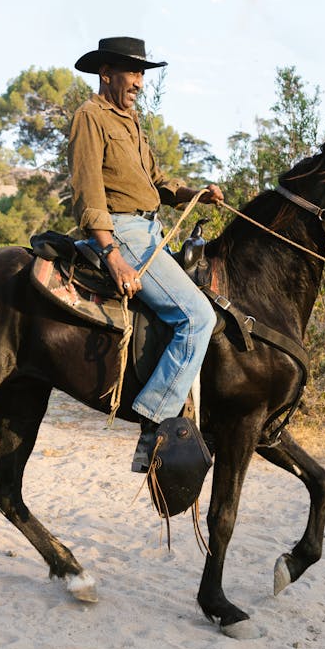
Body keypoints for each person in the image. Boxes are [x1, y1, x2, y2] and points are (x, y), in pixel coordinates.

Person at [68, 36, 224, 472]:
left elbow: (155, 180)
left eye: (142, 74)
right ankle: (152, 426)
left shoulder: (131, 122)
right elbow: (88, 191)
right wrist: (112, 254)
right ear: (106, 74)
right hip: (124, 232)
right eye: (132, 72)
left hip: (152, 227)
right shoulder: (90, 117)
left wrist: (195, 193)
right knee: (196, 318)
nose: (138, 82)